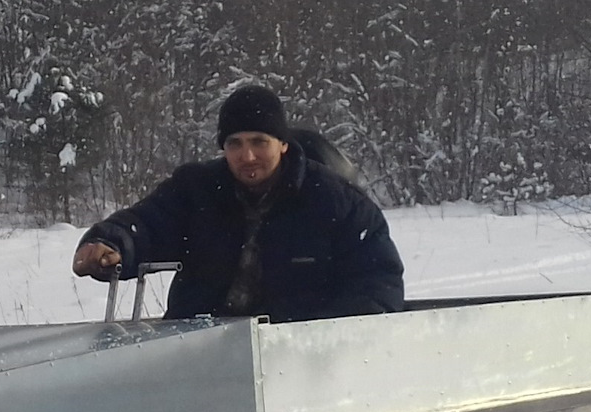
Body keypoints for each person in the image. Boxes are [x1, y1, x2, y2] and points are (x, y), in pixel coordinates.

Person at [73, 84, 405, 323]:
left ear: (284, 144)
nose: (247, 156)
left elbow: (377, 286)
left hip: (297, 365)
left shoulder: (338, 204)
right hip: (199, 357)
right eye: (235, 144)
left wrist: (322, 342)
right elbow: (147, 224)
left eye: (260, 142)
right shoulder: (198, 190)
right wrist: (109, 243)